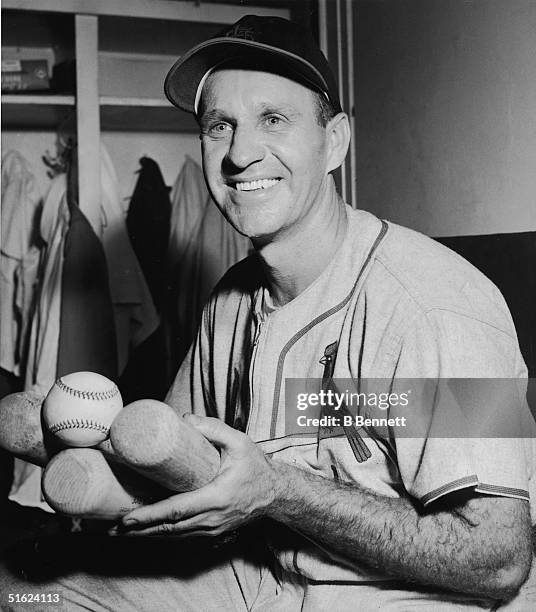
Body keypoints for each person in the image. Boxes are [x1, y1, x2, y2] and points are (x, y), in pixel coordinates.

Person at [1, 14, 534, 612]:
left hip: (406, 594)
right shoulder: (230, 300)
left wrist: (280, 492)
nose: (240, 154)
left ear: (335, 141)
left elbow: (500, 557)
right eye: (219, 125)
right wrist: (82, 449)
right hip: (257, 573)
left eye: (273, 120)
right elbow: (176, 462)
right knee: (22, 593)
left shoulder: (438, 304)